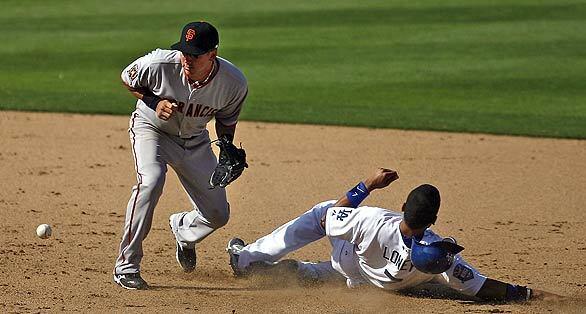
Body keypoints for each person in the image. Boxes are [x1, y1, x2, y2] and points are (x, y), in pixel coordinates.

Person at [226, 168, 562, 302]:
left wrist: (368, 185)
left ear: (403, 206)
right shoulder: (436, 253)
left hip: (351, 261)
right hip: (382, 281)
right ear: (433, 218)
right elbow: (479, 285)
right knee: (351, 269)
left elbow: (332, 216)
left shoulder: (373, 219)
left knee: (323, 211)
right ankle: (306, 272)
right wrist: (527, 293)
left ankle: (248, 258)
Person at [113, 21, 248, 290]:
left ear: (212, 54)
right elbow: (128, 78)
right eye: (185, 51)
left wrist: (226, 147)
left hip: (196, 141)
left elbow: (226, 119)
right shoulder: (160, 64)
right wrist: (154, 102)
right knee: (151, 181)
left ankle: (184, 230)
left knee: (218, 214)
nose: (187, 58)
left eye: (195, 54)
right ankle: (126, 265)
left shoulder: (233, 83)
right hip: (152, 131)